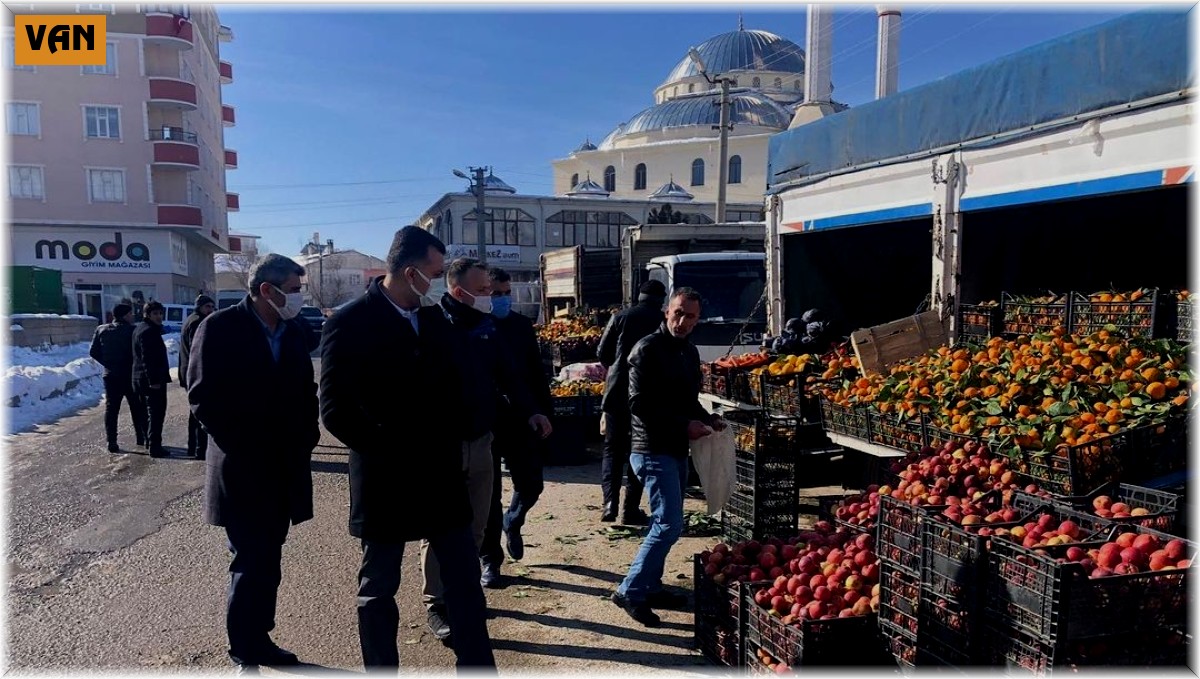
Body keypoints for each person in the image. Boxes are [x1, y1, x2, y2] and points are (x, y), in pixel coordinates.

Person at [319, 226, 495, 670]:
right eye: (434, 275)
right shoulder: (350, 322)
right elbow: (336, 411)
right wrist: (391, 448)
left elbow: (458, 385)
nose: (436, 284)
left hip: (440, 474)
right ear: (410, 271)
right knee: (378, 588)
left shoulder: (435, 320)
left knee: (463, 580)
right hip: (386, 477)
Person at [187, 254, 319, 668]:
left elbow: (304, 390)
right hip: (244, 468)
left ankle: (259, 636)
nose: (299, 298)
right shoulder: (220, 328)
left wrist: (306, 437)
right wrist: (251, 446)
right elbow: (203, 399)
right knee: (251, 558)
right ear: (267, 289)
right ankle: (245, 649)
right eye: (294, 290)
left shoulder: (293, 332)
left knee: (269, 557)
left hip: (285, 466)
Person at [424, 258, 551, 632]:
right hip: (443, 445)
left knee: (477, 525)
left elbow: (510, 375)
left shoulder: (487, 327)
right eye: (483, 291)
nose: (490, 298)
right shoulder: (430, 327)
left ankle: (463, 591)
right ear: (458, 291)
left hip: (483, 437)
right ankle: (438, 602)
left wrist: (534, 412)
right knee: (441, 528)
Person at [612, 288, 726, 627]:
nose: (683, 321)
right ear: (666, 312)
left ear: (697, 319)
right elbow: (639, 405)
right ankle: (630, 591)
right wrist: (683, 425)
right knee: (669, 524)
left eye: (690, 316)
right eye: (678, 313)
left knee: (663, 523)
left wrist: (707, 419)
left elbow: (687, 401)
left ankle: (651, 585)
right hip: (651, 450)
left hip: (675, 449)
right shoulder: (646, 349)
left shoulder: (688, 353)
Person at [479, 267, 554, 588]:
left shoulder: (522, 327)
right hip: (486, 423)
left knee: (531, 484)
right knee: (488, 496)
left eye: (506, 293)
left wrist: (544, 413)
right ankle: (490, 561)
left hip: (522, 419)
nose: (501, 299)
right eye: (495, 293)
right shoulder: (473, 327)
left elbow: (537, 376)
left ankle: (514, 520)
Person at [595, 279, 667, 524]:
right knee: (639, 449)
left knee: (612, 449)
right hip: (649, 396)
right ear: (662, 300)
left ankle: (609, 504)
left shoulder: (620, 317)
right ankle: (630, 509)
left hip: (617, 390)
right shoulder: (664, 321)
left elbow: (602, 354)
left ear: (639, 296)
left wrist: (618, 365)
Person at [89, 302, 146, 453]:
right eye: (130, 314)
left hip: (111, 375)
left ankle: (112, 441)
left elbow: (93, 352)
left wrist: (107, 362)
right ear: (125, 315)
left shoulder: (101, 329)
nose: (132, 316)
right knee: (136, 407)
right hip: (129, 374)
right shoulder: (133, 330)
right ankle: (141, 437)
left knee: (112, 409)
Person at [178, 294, 215, 460]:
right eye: (208, 307)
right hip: (195, 373)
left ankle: (194, 447)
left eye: (212, 307)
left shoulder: (192, 319)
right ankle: (200, 449)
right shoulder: (197, 322)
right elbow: (198, 349)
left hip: (189, 371)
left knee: (195, 413)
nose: (211, 310)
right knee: (200, 411)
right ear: (200, 307)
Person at [132, 301, 170, 458]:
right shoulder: (149, 332)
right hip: (151, 380)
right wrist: (153, 380)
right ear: (147, 314)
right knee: (156, 413)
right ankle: (155, 446)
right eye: (155, 313)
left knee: (145, 412)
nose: (159, 317)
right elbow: (148, 358)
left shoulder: (140, 328)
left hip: (139, 378)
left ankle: (149, 441)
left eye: (160, 313)